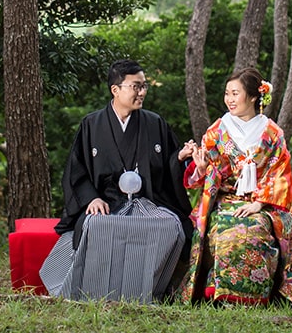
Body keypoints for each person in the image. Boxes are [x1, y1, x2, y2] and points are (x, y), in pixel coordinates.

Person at [40, 59, 193, 302]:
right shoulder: (91, 125)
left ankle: (156, 291)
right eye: (135, 86)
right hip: (108, 201)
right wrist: (91, 198)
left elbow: (168, 164)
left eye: (144, 86)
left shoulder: (155, 123)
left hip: (148, 201)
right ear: (115, 90)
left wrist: (180, 157)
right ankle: (94, 291)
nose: (142, 92)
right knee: (95, 224)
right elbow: (76, 170)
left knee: (170, 227)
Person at [178, 67, 292, 305]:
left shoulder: (272, 132)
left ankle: (257, 295)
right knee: (226, 229)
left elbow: (280, 171)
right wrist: (201, 168)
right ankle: (220, 293)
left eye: (235, 93)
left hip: (264, 201)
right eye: (227, 93)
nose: (229, 99)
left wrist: (259, 203)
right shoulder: (217, 131)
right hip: (227, 198)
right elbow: (210, 172)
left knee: (255, 226)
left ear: (253, 96)